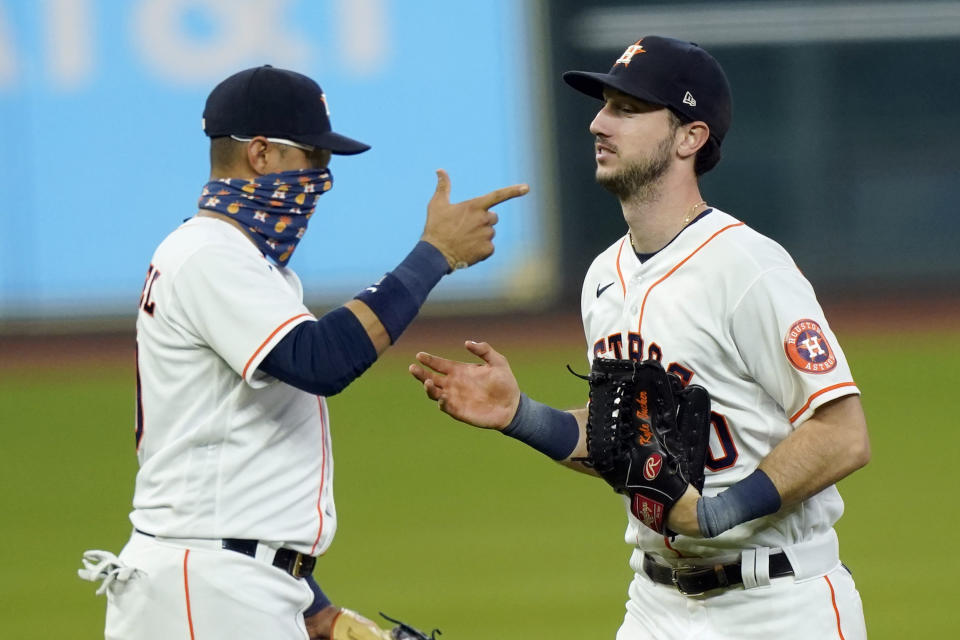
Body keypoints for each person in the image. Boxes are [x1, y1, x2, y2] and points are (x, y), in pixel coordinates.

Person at [409, 36, 870, 639]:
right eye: (604, 105)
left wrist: (714, 515)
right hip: (656, 607)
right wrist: (520, 414)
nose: (599, 123)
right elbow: (627, 445)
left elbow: (843, 434)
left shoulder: (748, 267)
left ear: (689, 137)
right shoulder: (604, 276)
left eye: (628, 109)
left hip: (778, 603)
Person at [77, 65, 528, 640]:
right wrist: (433, 254)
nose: (323, 177)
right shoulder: (208, 254)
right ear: (261, 154)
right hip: (203, 589)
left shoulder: (241, 261)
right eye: (312, 157)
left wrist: (314, 608)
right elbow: (321, 360)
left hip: (226, 580)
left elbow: (250, 466)